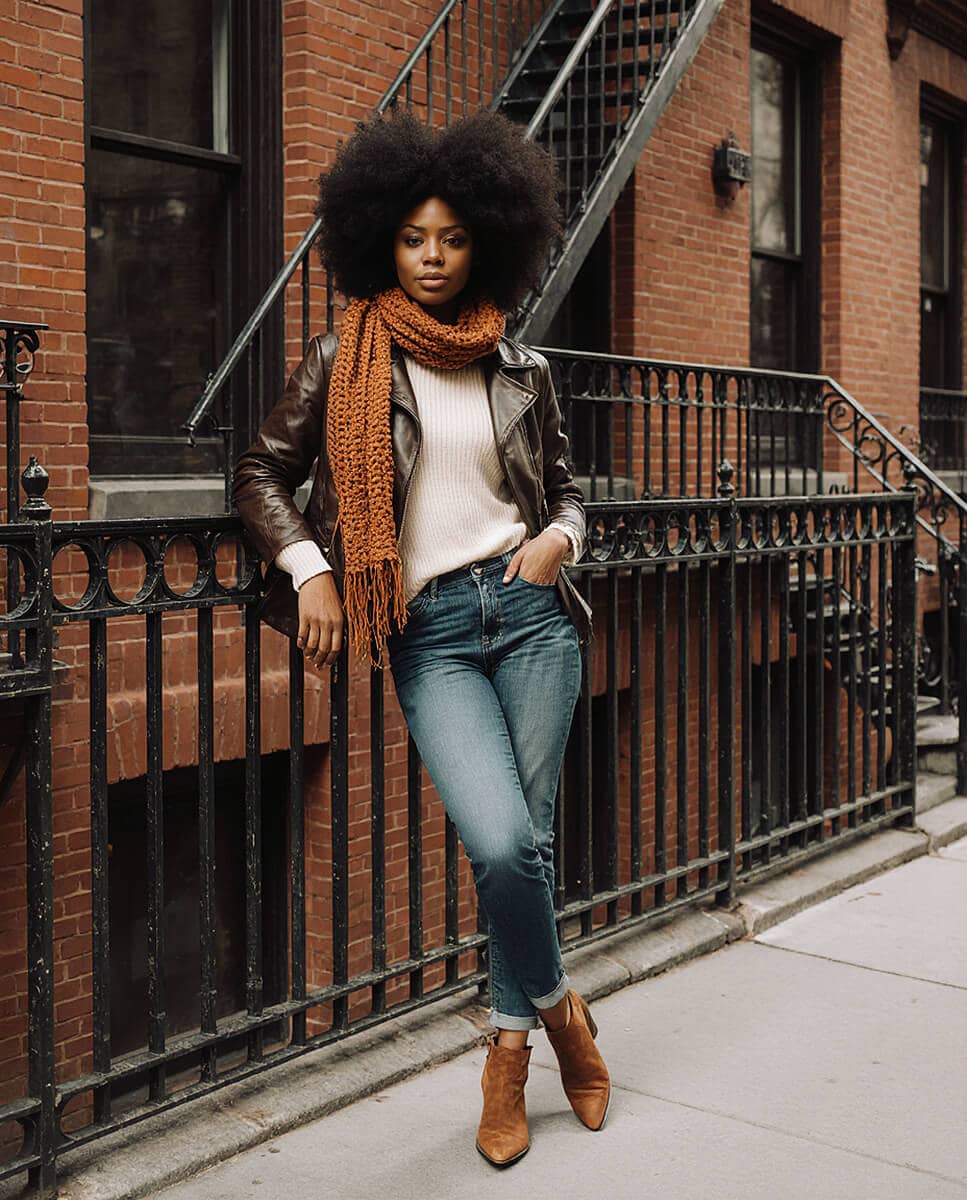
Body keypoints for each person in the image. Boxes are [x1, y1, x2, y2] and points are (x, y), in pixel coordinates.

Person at [232, 107, 608, 1167]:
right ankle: (564, 1011)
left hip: (533, 618)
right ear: (380, 243)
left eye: (449, 237)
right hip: (431, 631)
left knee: (520, 846)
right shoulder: (341, 356)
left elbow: (572, 494)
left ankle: (505, 1054)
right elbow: (260, 473)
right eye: (412, 238)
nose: (433, 257)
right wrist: (308, 567)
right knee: (500, 843)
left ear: (482, 238)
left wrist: (559, 543)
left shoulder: (519, 366)